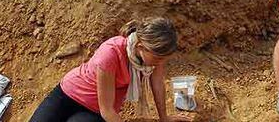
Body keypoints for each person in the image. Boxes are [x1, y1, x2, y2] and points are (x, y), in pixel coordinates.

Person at [29, 17, 191, 122]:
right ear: (141, 47)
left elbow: (157, 84)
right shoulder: (111, 52)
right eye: (158, 58)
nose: (159, 63)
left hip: (94, 111)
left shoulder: (153, 56)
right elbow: (108, 111)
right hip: (68, 95)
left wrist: (164, 118)